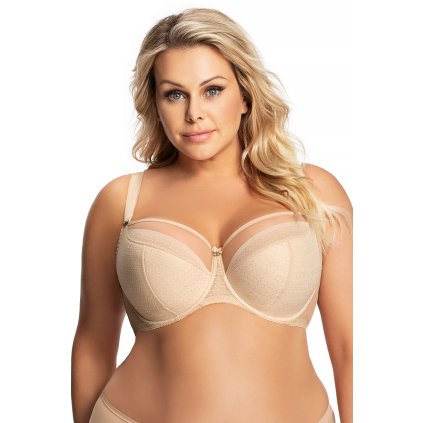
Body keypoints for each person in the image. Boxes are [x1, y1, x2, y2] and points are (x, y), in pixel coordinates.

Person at [71, 7, 352, 423]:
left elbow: (347, 345)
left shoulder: (313, 192)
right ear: (155, 103)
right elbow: (93, 345)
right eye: (174, 94)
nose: (193, 113)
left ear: (246, 95)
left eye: (213, 90)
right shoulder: (120, 201)